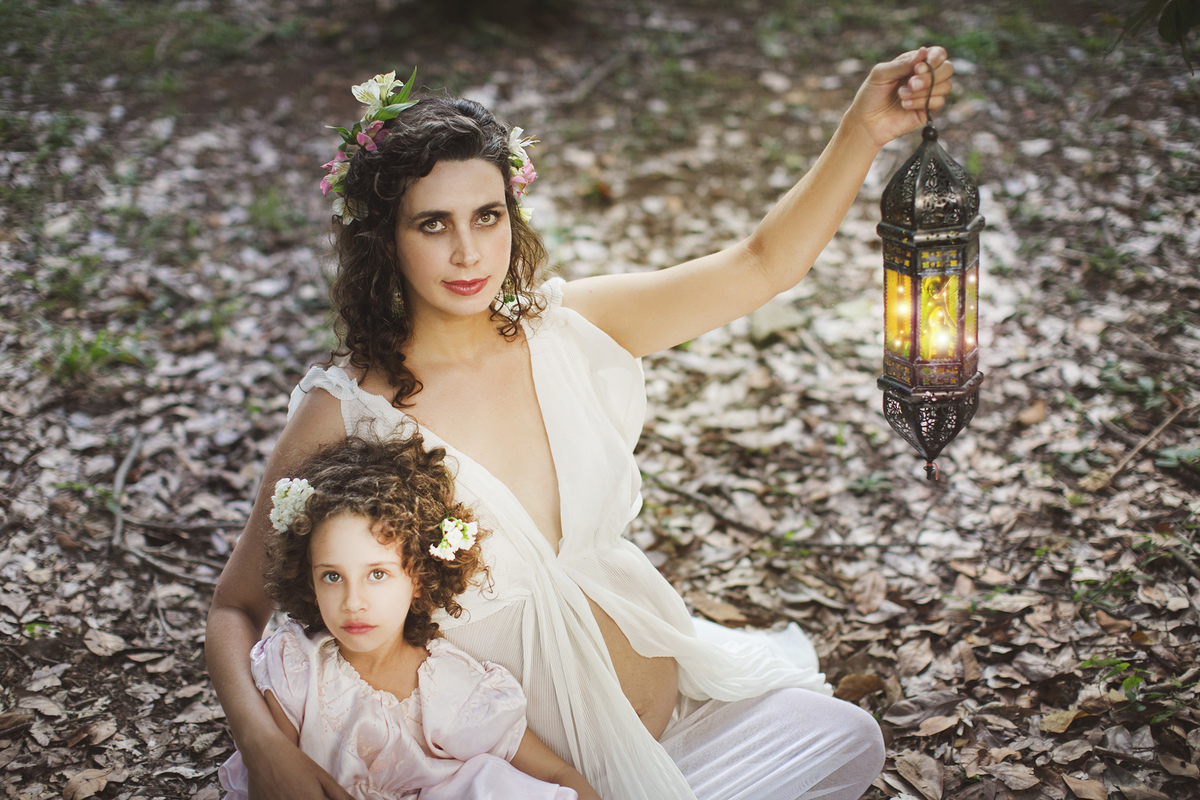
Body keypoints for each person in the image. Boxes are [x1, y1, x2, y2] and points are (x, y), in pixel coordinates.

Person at [207, 47, 955, 800]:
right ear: (385, 241)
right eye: (433, 224)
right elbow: (235, 609)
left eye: (487, 216)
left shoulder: (568, 329)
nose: (469, 252)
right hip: (525, 776)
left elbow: (761, 263)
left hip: (674, 733)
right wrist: (266, 747)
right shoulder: (346, 410)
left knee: (843, 738)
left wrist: (863, 129)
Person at [217, 434, 599, 800]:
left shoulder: (452, 690)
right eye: (332, 576)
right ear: (309, 579)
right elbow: (273, 785)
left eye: (378, 574)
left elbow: (556, 777)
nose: (353, 602)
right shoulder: (299, 667)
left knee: (486, 781)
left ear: (419, 578)